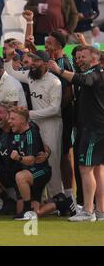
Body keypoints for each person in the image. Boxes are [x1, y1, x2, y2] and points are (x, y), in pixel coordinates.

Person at [48, 45, 104, 222]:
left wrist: (58, 70)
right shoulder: (96, 73)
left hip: (93, 129)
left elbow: (81, 80)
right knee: (97, 171)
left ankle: (88, 211)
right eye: (77, 57)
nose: (79, 60)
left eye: (83, 57)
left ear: (94, 58)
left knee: (85, 169)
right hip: (94, 128)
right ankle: (101, 211)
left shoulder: (95, 73)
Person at [4, 50, 64, 198]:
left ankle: (58, 199)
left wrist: (29, 114)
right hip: (36, 124)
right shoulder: (30, 75)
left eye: (36, 61)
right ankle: (41, 199)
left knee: (51, 161)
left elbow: (55, 109)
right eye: (32, 61)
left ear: (45, 64)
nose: (33, 64)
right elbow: (10, 72)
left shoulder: (54, 82)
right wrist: (13, 56)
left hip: (51, 124)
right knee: (36, 160)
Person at [45, 30, 75, 201]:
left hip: (63, 115)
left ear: (59, 45)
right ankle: (59, 192)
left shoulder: (63, 64)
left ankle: (69, 195)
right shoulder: (54, 61)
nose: (47, 45)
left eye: (49, 42)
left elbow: (68, 92)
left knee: (63, 154)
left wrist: (55, 109)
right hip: (56, 114)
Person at [8, 106, 52, 220]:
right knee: (36, 212)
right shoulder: (20, 131)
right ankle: (62, 204)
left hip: (41, 171)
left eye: (13, 119)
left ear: (22, 121)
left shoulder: (30, 134)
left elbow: (31, 160)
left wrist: (19, 158)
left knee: (20, 176)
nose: (9, 121)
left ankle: (27, 211)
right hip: (30, 172)